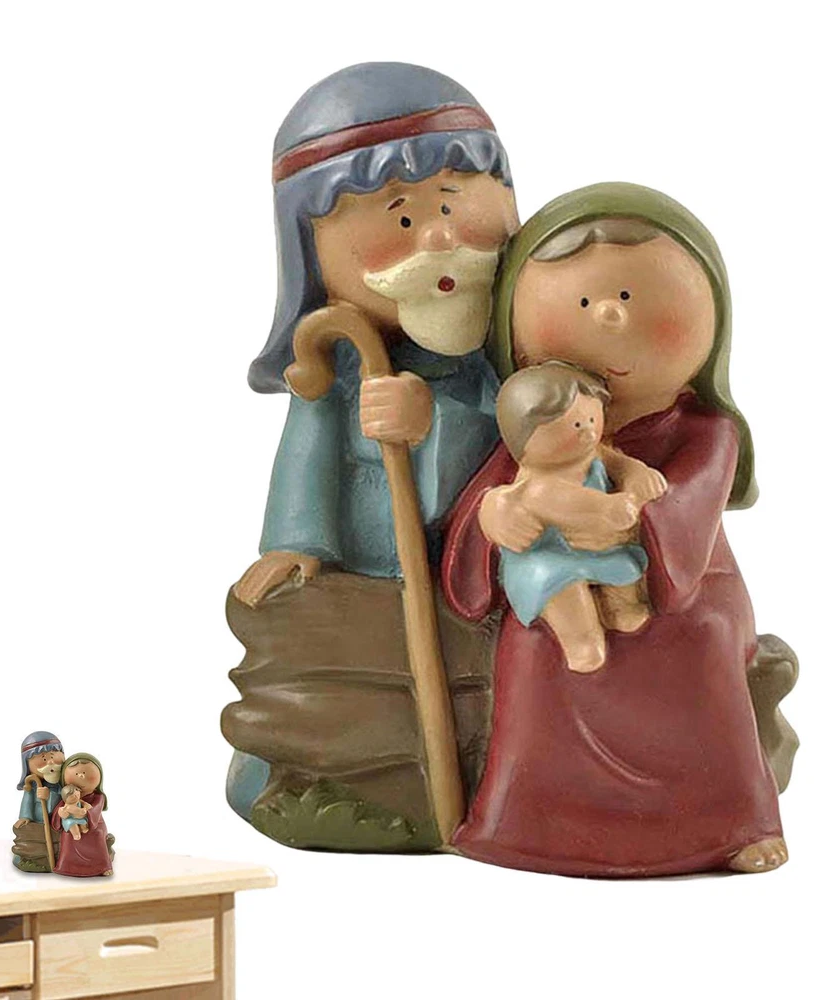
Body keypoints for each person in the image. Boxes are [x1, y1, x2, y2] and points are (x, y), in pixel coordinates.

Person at [442, 185, 789, 876]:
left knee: (701, 636)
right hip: (561, 576)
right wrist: (495, 517)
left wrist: (637, 527)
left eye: (632, 298)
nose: (608, 315)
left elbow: (688, 511)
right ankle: (528, 821)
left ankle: (733, 821)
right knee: (530, 640)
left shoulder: (706, 431)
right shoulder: (539, 430)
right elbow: (485, 509)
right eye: (581, 303)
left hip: (688, 581)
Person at [224, 62, 519, 825]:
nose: (440, 238)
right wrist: (297, 542)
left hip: (474, 570)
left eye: (453, 203)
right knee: (323, 642)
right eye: (401, 219)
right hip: (367, 564)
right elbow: (307, 453)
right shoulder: (337, 361)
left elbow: (522, 432)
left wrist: (439, 422)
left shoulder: (502, 352)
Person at [489, 362, 663, 672]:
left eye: (592, 419)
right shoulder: (537, 486)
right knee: (566, 593)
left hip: (595, 549)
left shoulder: (594, 454)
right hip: (548, 559)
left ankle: (617, 607)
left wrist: (637, 473)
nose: (588, 432)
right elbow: (578, 505)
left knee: (627, 566)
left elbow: (619, 464)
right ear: (525, 438)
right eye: (575, 425)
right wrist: (609, 509)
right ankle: (581, 641)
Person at [51, 754, 112, 877]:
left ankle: (102, 866)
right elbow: (59, 812)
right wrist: (61, 813)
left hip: (94, 825)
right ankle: (67, 866)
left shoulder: (98, 797)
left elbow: (94, 811)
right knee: (67, 835)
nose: (81, 776)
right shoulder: (67, 798)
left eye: (85, 773)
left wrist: (84, 813)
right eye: (76, 774)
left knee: (97, 835)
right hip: (72, 826)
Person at [11, 730, 64, 872]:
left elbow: (67, 796)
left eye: (53, 756)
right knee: (27, 832)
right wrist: (25, 817)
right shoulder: (32, 784)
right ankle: (34, 856)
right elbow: (27, 802)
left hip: (59, 821)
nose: (51, 762)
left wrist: (51, 795)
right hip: (39, 821)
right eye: (44, 759)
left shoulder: (64, 782)